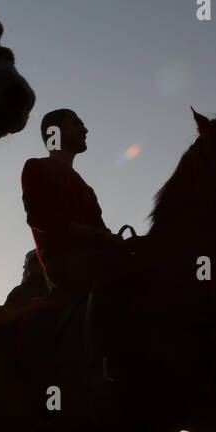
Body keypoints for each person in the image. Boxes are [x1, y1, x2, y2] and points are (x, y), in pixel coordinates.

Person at [21, 109, 130, 299]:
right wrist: (92, 233)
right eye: (76, 123)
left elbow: (99, 230)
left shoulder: (88, 190)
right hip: (65, 264)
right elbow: (38, 217)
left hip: (94, 256)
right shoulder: (36, 167)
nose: (85, 130)